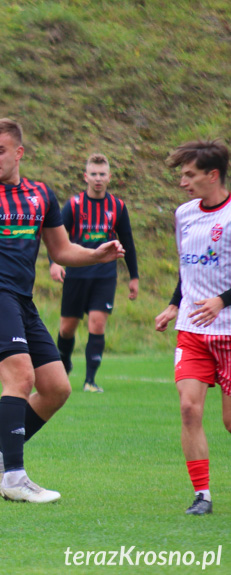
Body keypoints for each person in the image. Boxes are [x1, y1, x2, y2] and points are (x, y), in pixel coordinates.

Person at [0, 119, 124, 503]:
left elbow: (62, 250)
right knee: (21, 378)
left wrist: (96, 254)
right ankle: (14, 478)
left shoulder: (41, 196)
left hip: (22, 301)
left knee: (56, 388)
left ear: (19, 152)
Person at [155, 139, 231, 516]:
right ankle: (203, 495)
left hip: (229, 332)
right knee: (189, 408)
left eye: (190, 174)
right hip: (192, 330)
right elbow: (189, 269)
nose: (183, 182)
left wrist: (222, 300)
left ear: (212, 174)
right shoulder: (184, 214)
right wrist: (172, 306)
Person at [50, 153, 139, 392]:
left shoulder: (117, 207)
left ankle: (90, 381)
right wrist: (55, 262)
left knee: (97, 324)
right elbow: (56, 236)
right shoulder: (74, 205)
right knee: (67, 328)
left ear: (109, 177)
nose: (98, 178)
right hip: (76, 275)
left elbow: (127, 242)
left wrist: (134, 277)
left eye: (102, 174)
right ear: (85, 177)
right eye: (93, 174)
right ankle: (64, 365)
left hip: (105, 275)